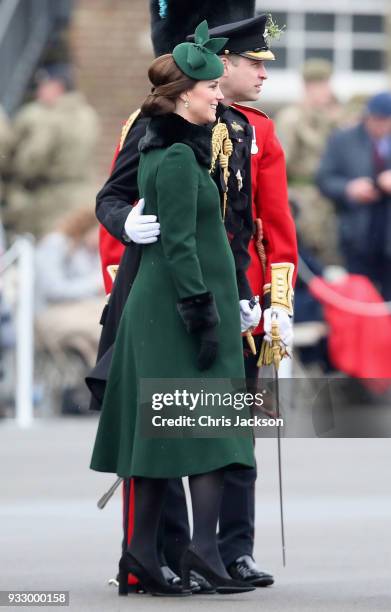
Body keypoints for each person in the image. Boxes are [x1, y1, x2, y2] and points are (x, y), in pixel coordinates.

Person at [90, 5, 297, 591]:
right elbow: (118, 199)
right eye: (249, 62)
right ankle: (163, 553)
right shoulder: (154, 126)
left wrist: (271, 293)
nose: (260, 73)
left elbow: (266, 220)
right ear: (216, 66)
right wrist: (125, 231)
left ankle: (229, 550)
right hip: (173, 294)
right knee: (167, 429)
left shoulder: (253, 128)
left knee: (228, 429)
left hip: (232, 290)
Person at [3, 64, 100, 238]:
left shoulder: (48, 117)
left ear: (57, 86)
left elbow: (32, 161)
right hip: (82, 195)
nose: (39, 91)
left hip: (52, 204)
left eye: (43, 86)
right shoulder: (88, 114)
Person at [317, 92, 391, 301]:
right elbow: (324, 179)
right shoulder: (342, 140)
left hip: (387, 232)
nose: (380, 127)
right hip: (357, 231)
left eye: (386, 121)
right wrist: (349, 188)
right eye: (376, 120)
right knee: (358, 295)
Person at [275, 58, 342, 265]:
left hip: (327, 199)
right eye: (321, 85)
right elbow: (279, 163)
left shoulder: (331, 118)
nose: (326, 91)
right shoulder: (292, 118)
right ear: (308, 86)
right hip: (302, 198)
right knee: (307, 260)